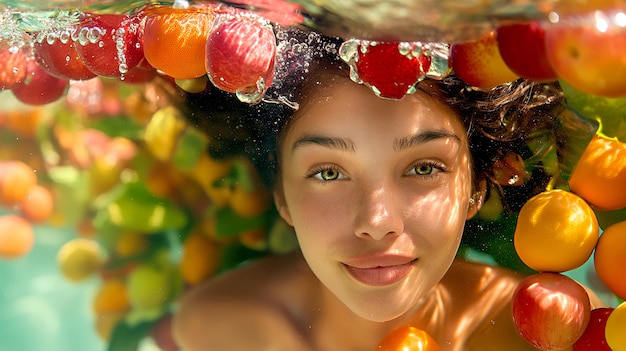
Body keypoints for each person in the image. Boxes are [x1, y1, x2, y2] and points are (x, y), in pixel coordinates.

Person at [172, 30, 602, 351]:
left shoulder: (550, 335)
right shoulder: (220, 327)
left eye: (423, 167)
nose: (377, 223)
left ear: (474, 186)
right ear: (281, 194)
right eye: (327, 173)